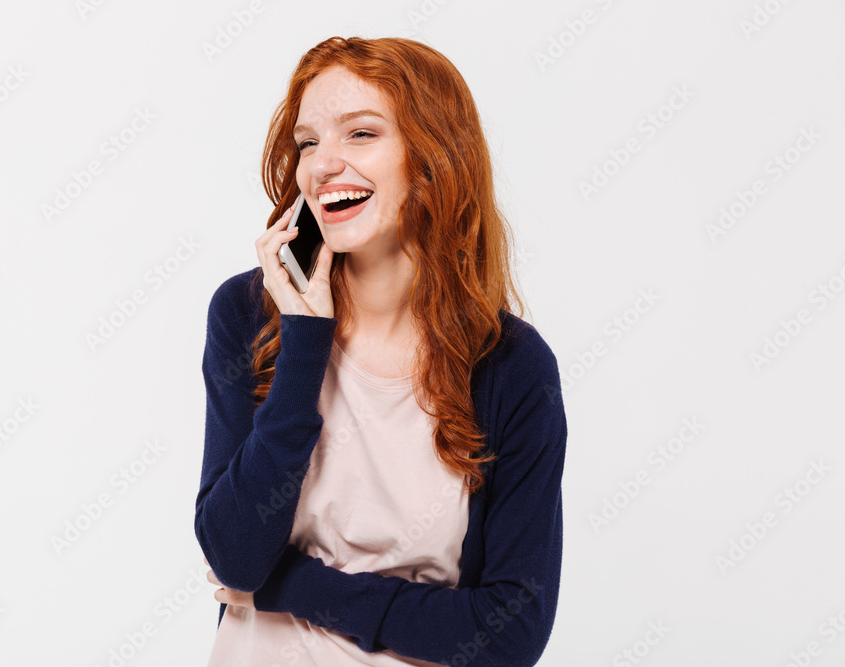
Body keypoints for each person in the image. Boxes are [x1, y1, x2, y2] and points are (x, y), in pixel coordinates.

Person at [195, 35, 568, 667]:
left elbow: (509, 633)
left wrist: (288, 585)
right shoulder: (250, 314)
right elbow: (236, 555)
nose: (322, 165)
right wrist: (304, 338)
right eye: (308, 143)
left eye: (361, 134)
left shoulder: (510, 365)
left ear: (433, 158)